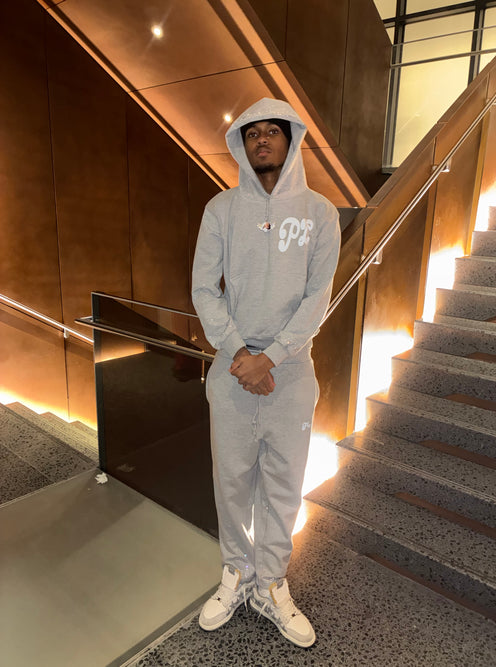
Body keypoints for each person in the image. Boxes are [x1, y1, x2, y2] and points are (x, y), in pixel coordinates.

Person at [191, 97, 341, 648]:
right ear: (241, 143)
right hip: (232, 370)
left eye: (272, 131)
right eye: (252, 132)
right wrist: (241, 354)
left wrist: (271, 357)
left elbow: (317, 298)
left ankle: (271, 583)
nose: (261, 140)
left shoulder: (320, 213)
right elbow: (204, 289)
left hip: (291, 374)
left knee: (284, 484)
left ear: (291, 139)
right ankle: (236, 573)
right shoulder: (221, 210)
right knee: (231, 481)